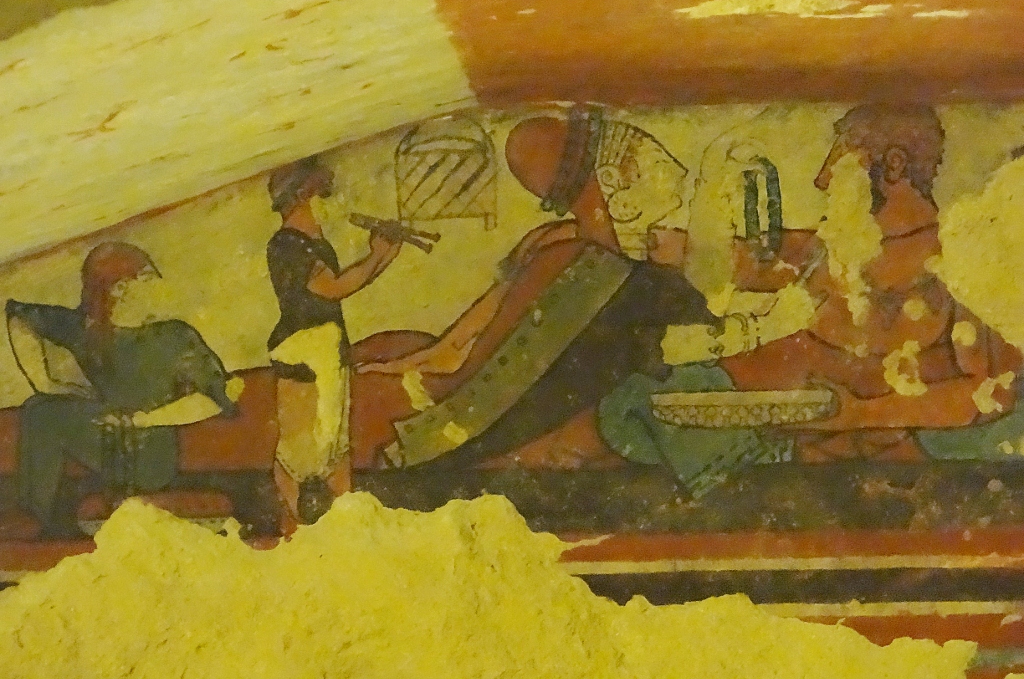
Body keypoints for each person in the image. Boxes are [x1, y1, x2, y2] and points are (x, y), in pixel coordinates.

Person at [350, 104, 718, 470]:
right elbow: (475, 357)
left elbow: (465, 344)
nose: (676, 178)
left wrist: (424, 362)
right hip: (498, 420)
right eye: (655, 165)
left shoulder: (561, 243)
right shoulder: (588, 263)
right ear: (612, 183)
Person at [715, 104, 1022, 460]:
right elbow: (704, 259)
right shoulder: (819, 253)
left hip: (905, 477)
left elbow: (994, 389)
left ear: (894, 164)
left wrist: (861, 414)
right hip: (794, 473)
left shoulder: (962, 262)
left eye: (843, 158)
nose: (822, 179)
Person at [6, 242, 241, 536]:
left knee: (46, 414)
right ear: (118, 289)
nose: (157, 285)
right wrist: (47, 383)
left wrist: (141, 419)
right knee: (38, 407)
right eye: (146, 278)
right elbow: (18, 315)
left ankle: (36, 517)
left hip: (150, 456)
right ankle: (32, 516)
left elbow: (214, 400)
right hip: (108, 438)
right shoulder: (87, 330)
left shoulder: (173, 336)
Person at [265, 155, 402, 523]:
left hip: (326, 349)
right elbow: (332, 287)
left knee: (335, 446)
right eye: (323, 193)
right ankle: (299, 528)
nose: (329, 200)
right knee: (302, 455)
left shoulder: (312, 241)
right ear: (303, 196)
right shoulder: (287, 244)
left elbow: (347, 284)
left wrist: (384, 254)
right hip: (304, 351)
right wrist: (375, 256)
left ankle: (339, 526)